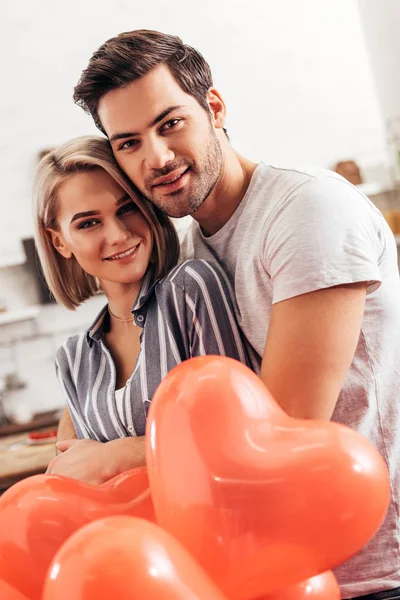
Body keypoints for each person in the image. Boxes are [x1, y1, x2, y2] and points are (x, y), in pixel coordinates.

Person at [68, 29, 400, 599]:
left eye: (170, 124)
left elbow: (279, 430)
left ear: (214, 108)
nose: (157, 158)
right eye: (128, 142)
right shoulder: (189, 256)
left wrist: (109, 460)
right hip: (271, 572)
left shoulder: (306, 212)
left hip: (370, 570)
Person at [33, 135, 250, 485]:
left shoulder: (190, 291)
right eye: (88, 223)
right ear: (60, 242)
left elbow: (242, 432)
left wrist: (113, 455)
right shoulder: (73, 360)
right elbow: (78, 483)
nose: (118, 235)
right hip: (126, 537)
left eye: (126, 208)